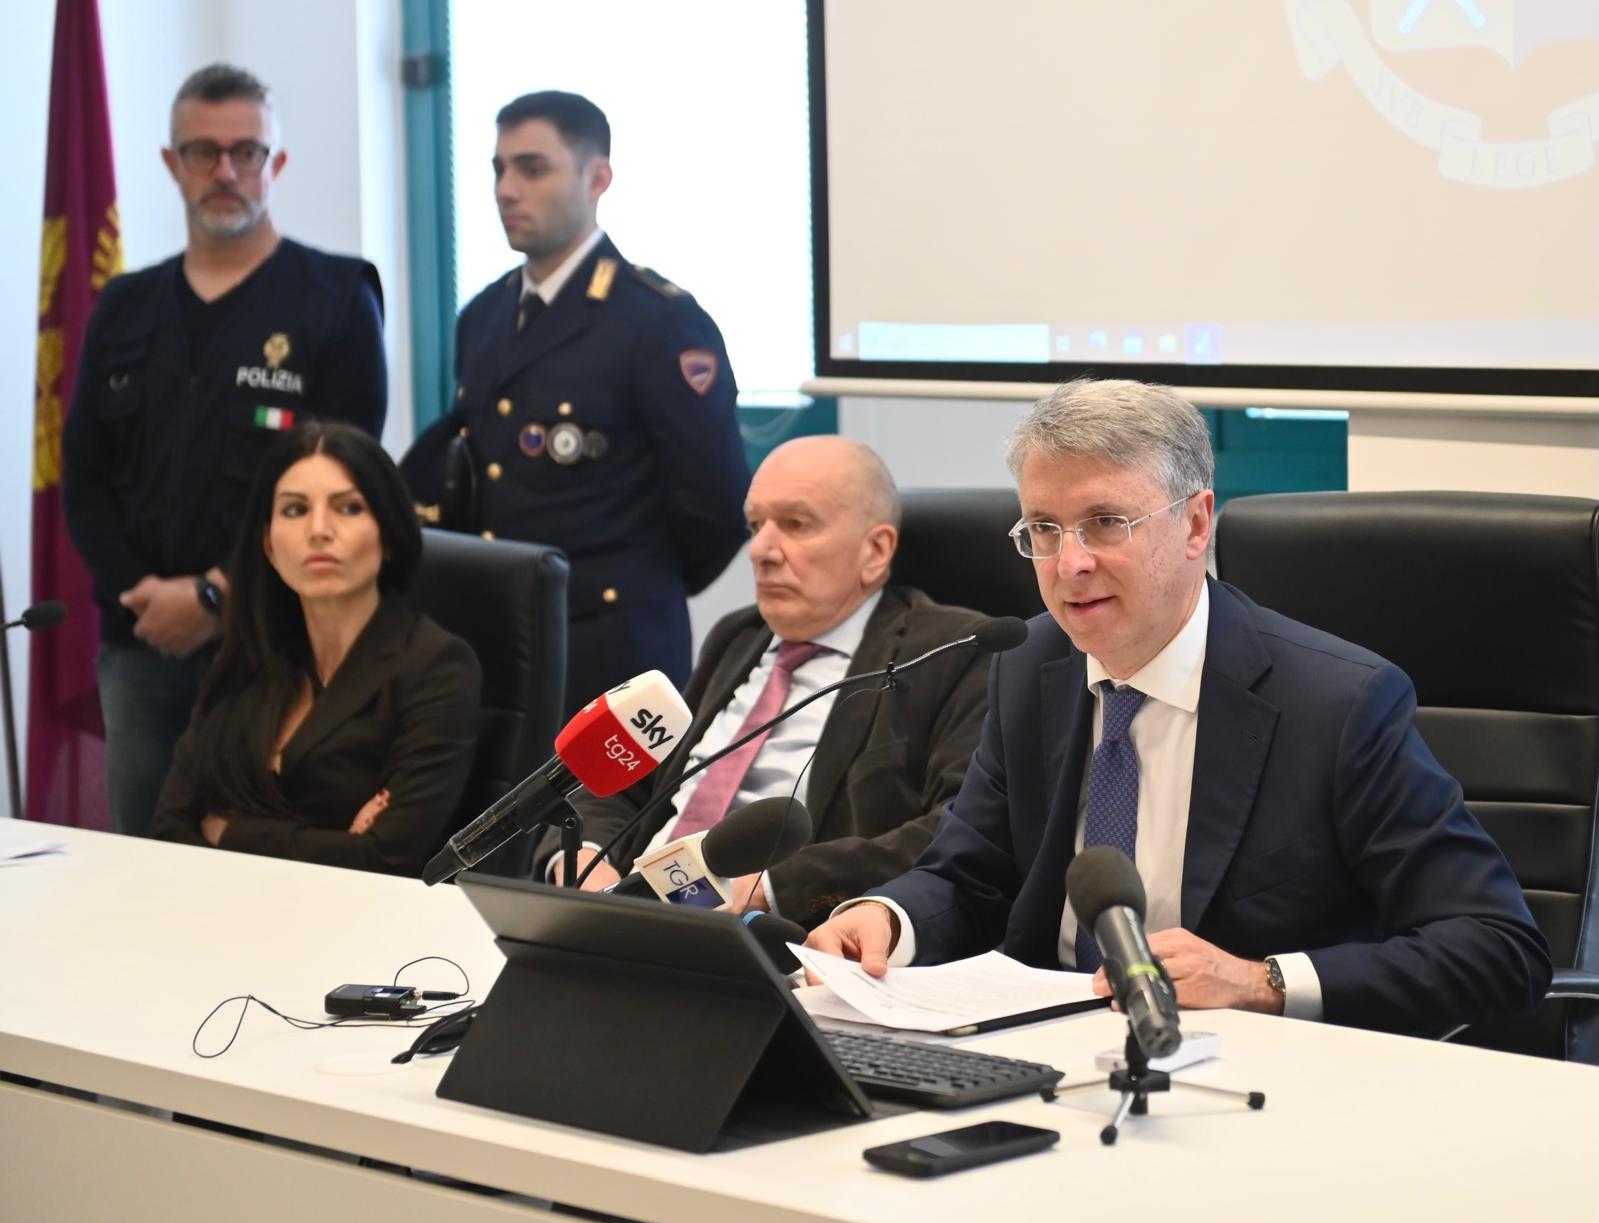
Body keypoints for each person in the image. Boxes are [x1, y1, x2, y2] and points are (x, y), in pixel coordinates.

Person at [807, 379, 1551, 1035]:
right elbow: (966, 875)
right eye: (1042, 529)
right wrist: (885, 919)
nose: (1070, 563)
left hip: (1255, 1074)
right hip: (1042, 1050)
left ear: (1196, 524)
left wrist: (1260, 981)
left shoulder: (1336, 703)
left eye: (1106, 522)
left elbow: (1496, 946)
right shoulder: (1027, 665)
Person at [63, 63, 387, 838]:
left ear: (275, 165)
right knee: (143, 855)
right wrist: (144, 591)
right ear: (172, 165)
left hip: (278, 642)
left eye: (247, 152)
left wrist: (215, 595)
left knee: (268, 855)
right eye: (203, 152)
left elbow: (349, 483)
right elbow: (84, 477)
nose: (226, 172)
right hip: (139, 642)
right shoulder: (124, 305)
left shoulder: (338, 296)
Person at [400, 90, 749, 718]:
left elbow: (717, 506)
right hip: (492, 633)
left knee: (613, 820)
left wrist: (636, 589)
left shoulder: (657, 321)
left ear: (598, 177)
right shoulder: (484, 316)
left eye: (532, 169)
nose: (507, 189)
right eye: (498, 170)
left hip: (611, 646)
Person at [548, 436, 990, 929]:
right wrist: (580, 856)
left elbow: (956, 825)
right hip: (624, 914)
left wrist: (774, 887)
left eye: (796, 525)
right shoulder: (739, 636)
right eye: (756, 525)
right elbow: (628, 779)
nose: (760, 550)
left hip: (785, 935)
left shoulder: (951, 652)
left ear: (875, 550)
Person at [151, 423, 481, 877]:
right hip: (220, 914)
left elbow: (386, 858)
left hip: (363, 930)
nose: (319, 530)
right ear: (268, 542)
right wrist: (334, 843)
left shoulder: (437, 667)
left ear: (387, 533)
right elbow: (170, 827)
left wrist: (226, 832)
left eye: (348, 508)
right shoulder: (251, 650)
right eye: (294, 510)